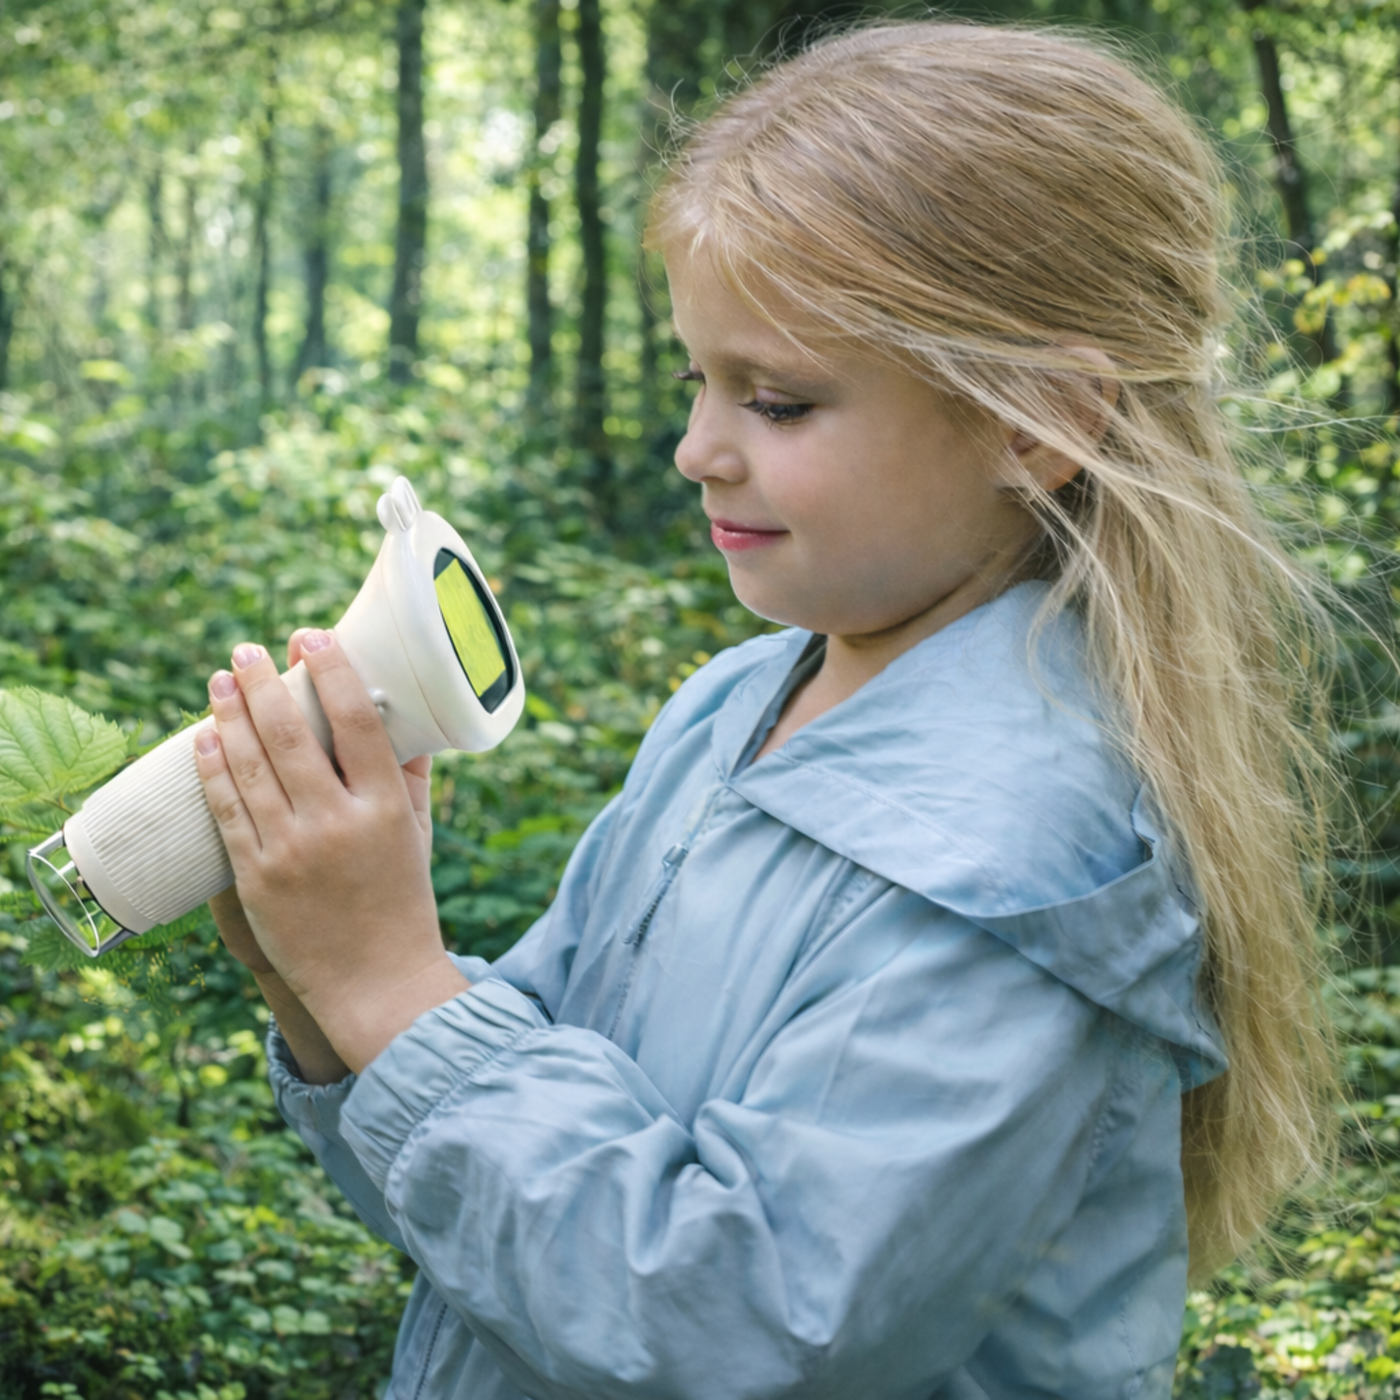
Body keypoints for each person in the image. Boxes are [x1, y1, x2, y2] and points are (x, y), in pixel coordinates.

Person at [193, 20, 1339, 1400]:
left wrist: (395, 986)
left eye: (780, 401)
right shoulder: (746, 698)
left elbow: (738, 1324)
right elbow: (513, 1235)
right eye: (698, 379)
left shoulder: (1025, 851)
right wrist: (329, 983)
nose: (698, 449)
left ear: (1036, 422)